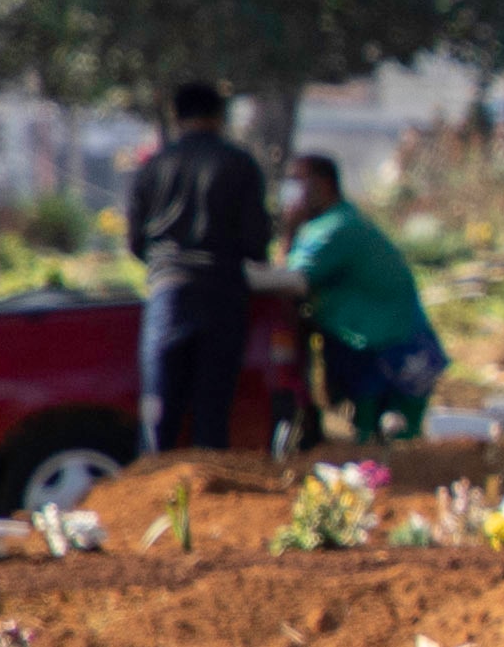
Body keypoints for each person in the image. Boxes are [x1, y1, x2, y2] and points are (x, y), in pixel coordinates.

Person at [124, 80, 271, 452]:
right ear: (220, 117)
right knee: (211, 413)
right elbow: (257, 243)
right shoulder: (239, 164)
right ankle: (207, 501)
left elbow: (135, 242)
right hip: (223, 294)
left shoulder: (154, 166)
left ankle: (153, 496)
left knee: (159, 414)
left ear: (176, 117)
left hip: (167, 293)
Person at [282, 153, 448, 440]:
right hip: (380, 342)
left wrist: (288, 230)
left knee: (384, 439)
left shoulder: (335, 229)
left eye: (300, 182)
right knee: (377, 437)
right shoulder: (340, 221)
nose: (293, 193)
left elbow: (295, 278)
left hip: (386, 349)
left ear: (323, 184)